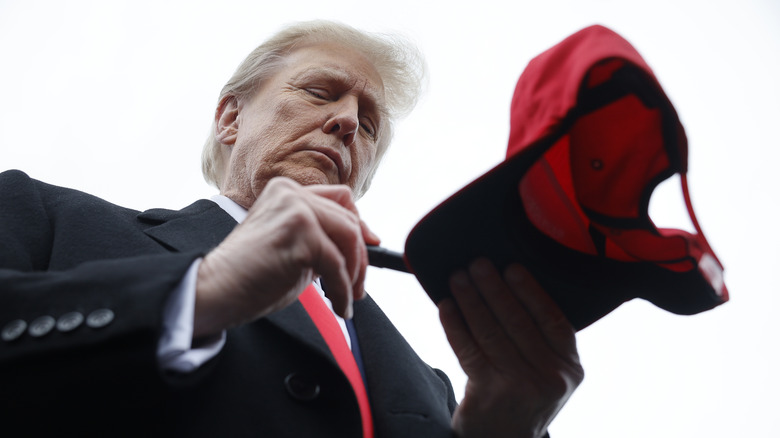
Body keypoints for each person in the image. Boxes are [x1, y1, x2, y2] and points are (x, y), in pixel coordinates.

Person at [0, 20, 583, 437]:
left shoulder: (436, 390)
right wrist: (197, 295)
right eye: (319, 91)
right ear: (231, 118)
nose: (348, 121)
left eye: (371, 124)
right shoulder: (44, 216)